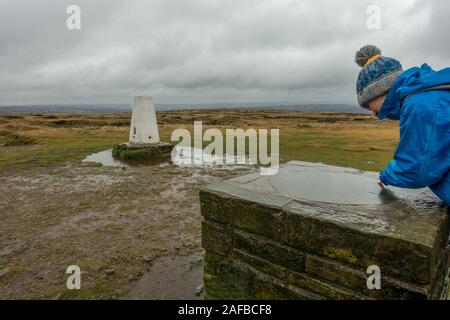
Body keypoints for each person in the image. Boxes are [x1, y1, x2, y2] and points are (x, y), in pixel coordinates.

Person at [354, 45, 450, 205]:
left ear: (379, 91)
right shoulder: (431, 94)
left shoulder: (419, 104)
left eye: (367, 104)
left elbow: (415, 170)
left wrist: (386, 176)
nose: (372, 112)